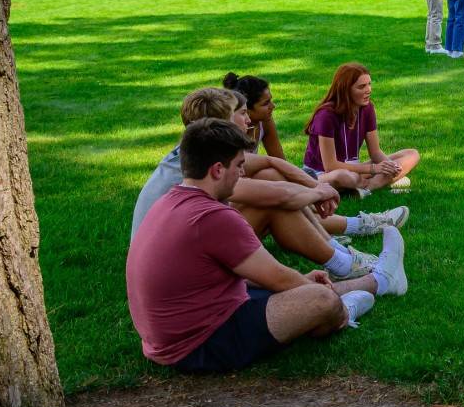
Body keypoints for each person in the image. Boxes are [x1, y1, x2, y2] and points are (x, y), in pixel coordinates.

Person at [128, 119, 407, 371]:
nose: (242, 174)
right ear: (216, 170)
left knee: (304, 286)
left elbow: (237, 275)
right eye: (239, 167)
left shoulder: (171, 200)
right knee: (319, 299)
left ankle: (381, 279)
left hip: (178, 330)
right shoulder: (213, 217)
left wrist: (300, 282)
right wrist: (303, 286)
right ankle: (344, 310)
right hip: (200, 344)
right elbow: (279, 278)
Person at [131, 87, 403, 274]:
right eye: (241, 113)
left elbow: (271, 162)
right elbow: (278, 197)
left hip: (182, 251)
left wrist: (316, 186)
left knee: (271, 177)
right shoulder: (205, 168)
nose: (248, 119)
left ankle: (343, 251)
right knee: (273, 205)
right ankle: (348, 263)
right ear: (220, 125)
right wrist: (321, 193)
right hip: (175, 266)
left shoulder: (203, 149)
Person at [305, 63, 421, 193]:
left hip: (355, 170)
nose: (368, 90)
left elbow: (375, 152)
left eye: (369, 84)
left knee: (412, 154)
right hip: (322, 174)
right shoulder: (326, 115)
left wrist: (392, 168)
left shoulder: (367, 108)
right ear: (346, 90)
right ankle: (376, 183)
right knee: (343, 176)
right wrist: (373, 169)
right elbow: (330, 166)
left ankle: (367, 187)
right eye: (361, 86)